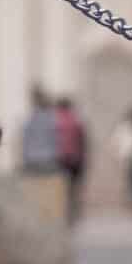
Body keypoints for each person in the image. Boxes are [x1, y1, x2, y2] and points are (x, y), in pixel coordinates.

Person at [53, 95, 88, 224]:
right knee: (73, 189)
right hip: (75, 161)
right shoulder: (77, 121)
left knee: (61, 190)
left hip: (60, 160)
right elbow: (83, 143)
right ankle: (72, 213)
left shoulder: (55, 120)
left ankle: (63, 214)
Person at [20, 85, 62, 174]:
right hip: (49, 160)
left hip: (32, 160)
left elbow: (26, 140)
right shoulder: (53, 118)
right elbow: (57, 139)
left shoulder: (30, 119)